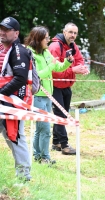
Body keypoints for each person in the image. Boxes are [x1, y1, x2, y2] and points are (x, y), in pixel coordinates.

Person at [24, 26, 74, 163]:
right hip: (37, 96)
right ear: (38, 39)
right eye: (46, 38)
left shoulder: (46, 52)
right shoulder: (30, 54)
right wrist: (51, 66)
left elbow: (58, 67)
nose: (48, 40)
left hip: (47, 96)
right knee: (45, 128)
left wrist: (67, 62)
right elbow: (37, 76)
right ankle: (44, 157)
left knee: (41, 129)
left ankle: (38, 155)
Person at [48, 22, 89, 155]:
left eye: (75, 33)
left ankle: (56, 142)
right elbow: (54, 71)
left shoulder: (73, 46)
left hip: (67, 85)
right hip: (55, 86)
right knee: (60, 115)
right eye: (70, 32)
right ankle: (65, 146)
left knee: (63, 114)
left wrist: (82, 68)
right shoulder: (55, 46)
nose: (73, 35)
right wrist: (73, 70)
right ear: (64, 32)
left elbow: (79, 60)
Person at [0, 16, 32, 181]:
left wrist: (1, 93)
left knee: (15, 137)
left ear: (16, 33)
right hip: (3, 100)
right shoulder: (2, 49)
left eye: (7, 29)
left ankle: (24, 176)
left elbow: (20, 78)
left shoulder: (19, 51)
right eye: (1, 29)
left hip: (13, 101)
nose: (2, 32)